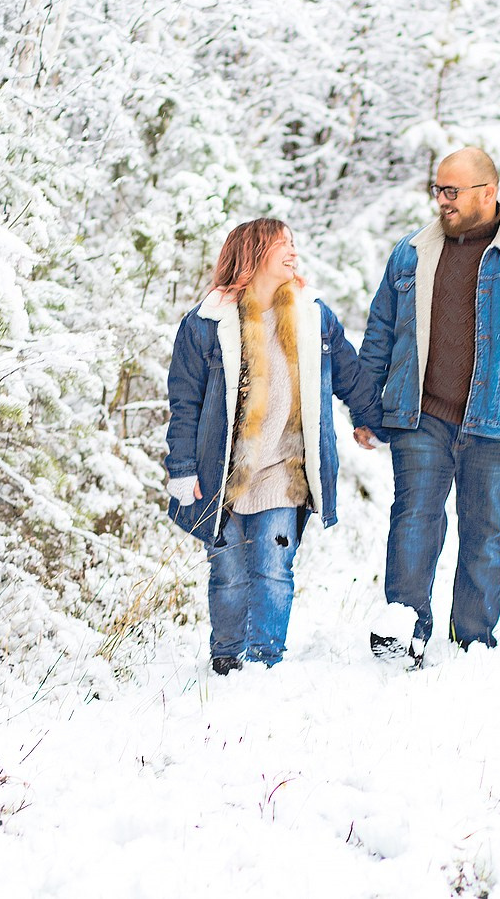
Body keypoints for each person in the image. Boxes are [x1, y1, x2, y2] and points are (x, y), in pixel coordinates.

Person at [355, 147, 500, 663]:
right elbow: (381, 332)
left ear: (488, 192)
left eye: (452, 191)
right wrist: (368, 409)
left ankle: (472, 640)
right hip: (422, 414)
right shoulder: (410, 253)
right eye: (438, 189)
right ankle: (403, 632)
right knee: (414, 519)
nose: (443, 200)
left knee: (485, 529)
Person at [165, 218, 381, 673]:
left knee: (273, 566)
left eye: (294, 243)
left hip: (285, 468)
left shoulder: (312, 317)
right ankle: (227, 659)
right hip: (223, 471)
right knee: (228, 572)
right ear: (253, 252)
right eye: (284, 243)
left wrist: (369, 420)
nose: (294, 252)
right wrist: (182, 468)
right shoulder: (206, 325)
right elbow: (184, 402)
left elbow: (351, 375)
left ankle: (265, 661)